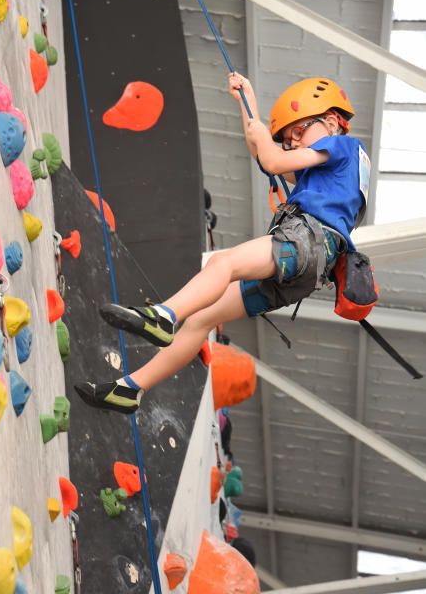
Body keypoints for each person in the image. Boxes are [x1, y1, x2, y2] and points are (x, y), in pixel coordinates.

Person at [75, 75, 370, 414]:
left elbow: (273, 161)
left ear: (331, 121)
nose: (295, 143)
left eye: (299, 132)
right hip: (309, 269)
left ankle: (163, 316)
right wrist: (249, 103)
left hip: (306, 244)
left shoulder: (343, 146)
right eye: (291, 140)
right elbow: (264, 155)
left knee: (222, 264)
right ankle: (131, 388)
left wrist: (266, 137)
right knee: (201, 319)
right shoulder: (336, 171)